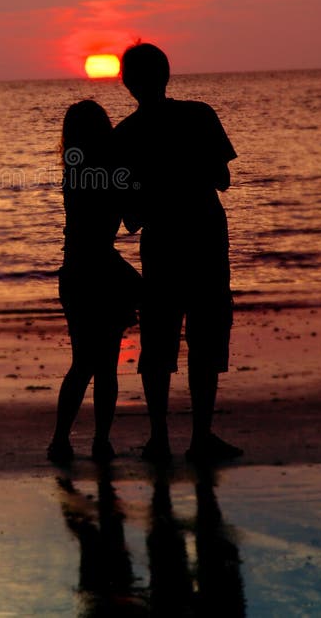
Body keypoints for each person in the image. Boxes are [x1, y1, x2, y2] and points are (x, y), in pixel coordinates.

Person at [112, 43, 243, 464]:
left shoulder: (125, 135)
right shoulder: (199, 115)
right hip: (205, 237)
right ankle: (201, 436)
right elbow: (222, 178)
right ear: (166, 75)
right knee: (205, 337)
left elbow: (130, 217)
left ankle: (159, 437)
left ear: (129, 83)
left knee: (159, 342)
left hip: (163, 244)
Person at [47, 100, 141, 464]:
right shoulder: (104, 173)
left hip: (78, 272)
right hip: (99, 270)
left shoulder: (76, 170)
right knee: (100, 364)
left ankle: (65, 440)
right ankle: (96, 440)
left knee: (86, 363)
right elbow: (132, 218)